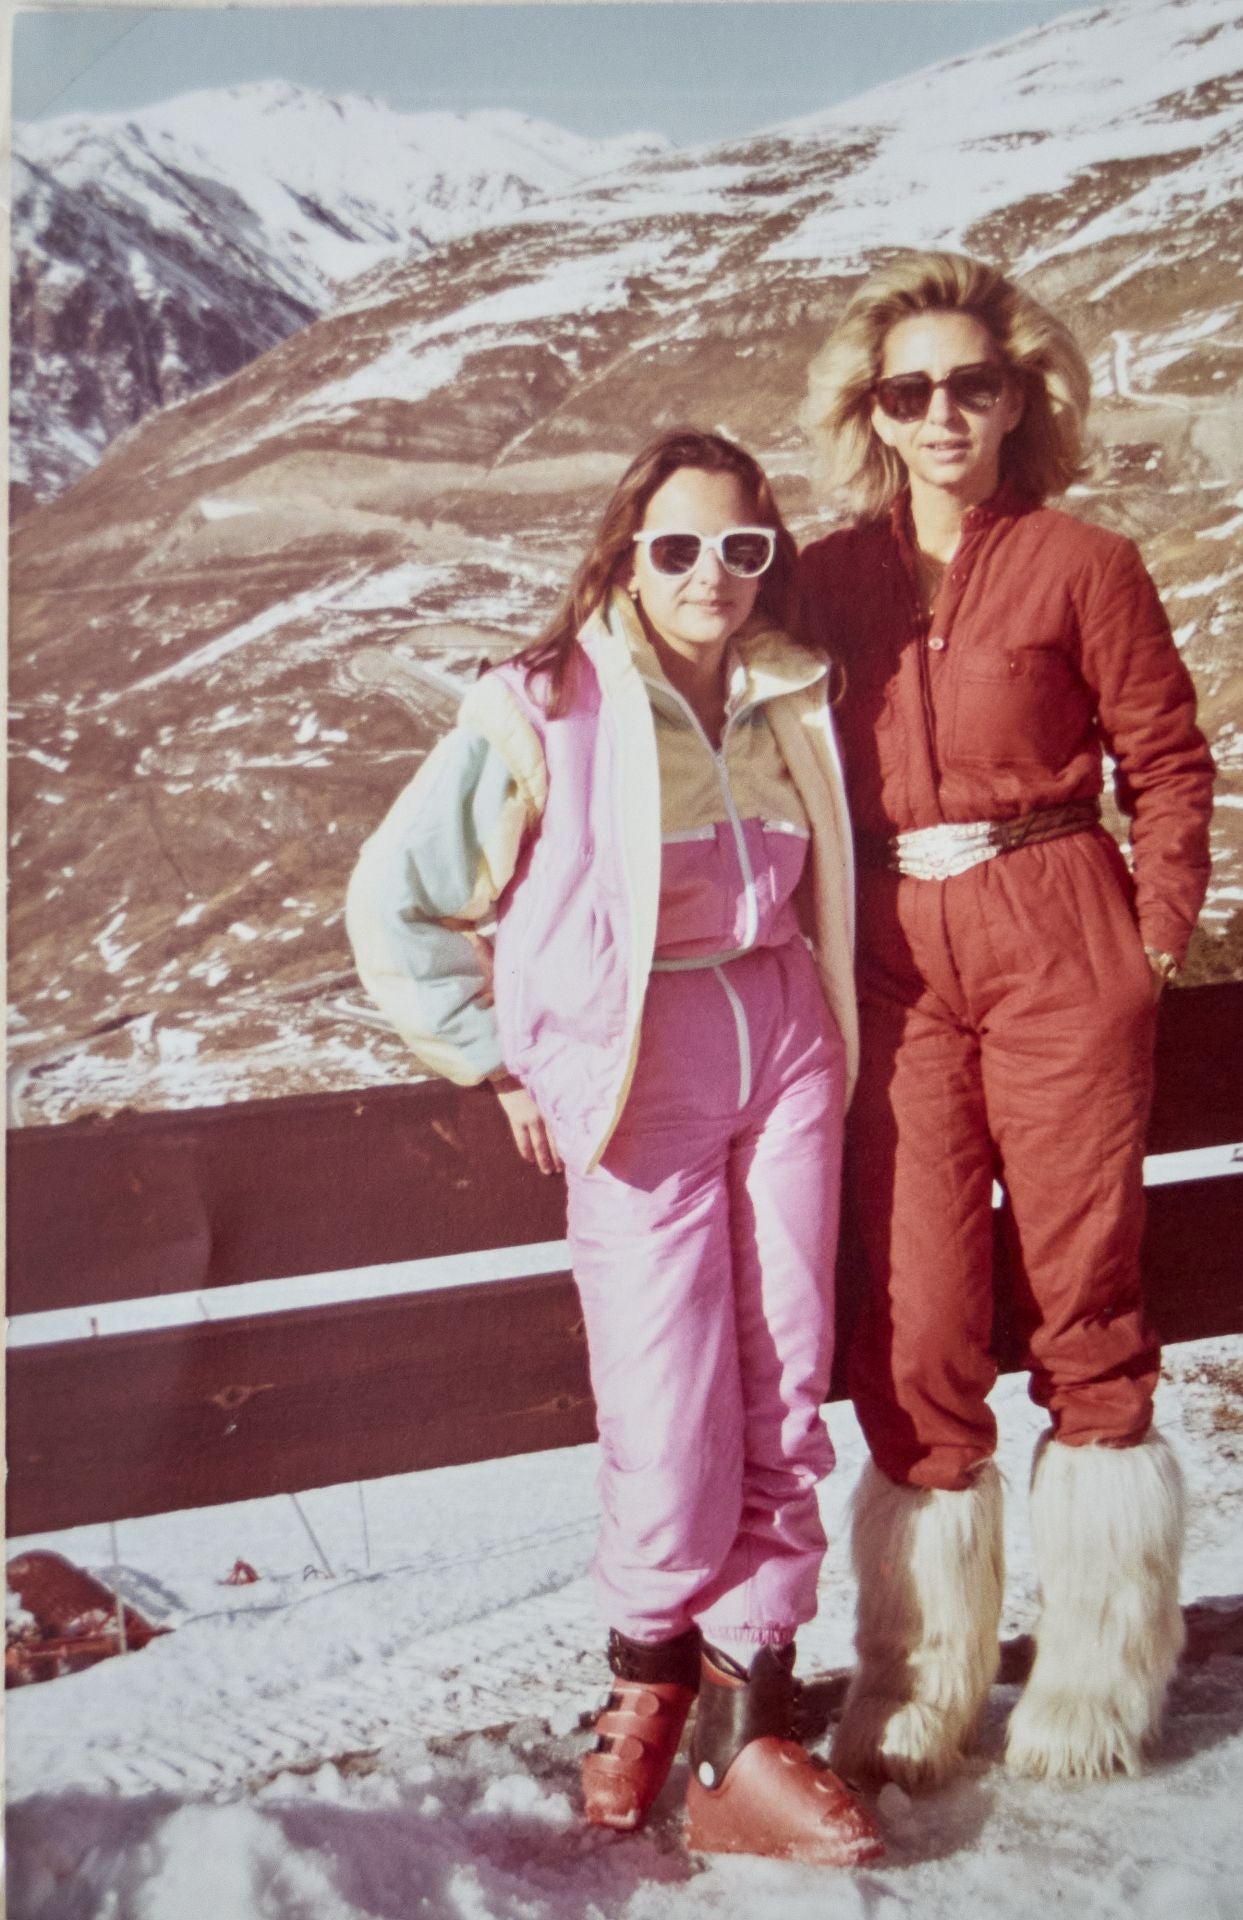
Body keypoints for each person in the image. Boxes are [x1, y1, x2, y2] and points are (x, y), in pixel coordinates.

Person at [346, 428, 881, 1865]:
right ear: (626, 556)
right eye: (679, 547)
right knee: (667, 1395)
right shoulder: (547, 707)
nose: (714, 575)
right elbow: (395, 905)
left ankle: (749, 1713)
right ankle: (648, 1671)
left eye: (744, 547)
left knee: (787, 1367)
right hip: (640, 1070)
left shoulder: (790, 693)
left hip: (782, 1043)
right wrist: (497, 1054)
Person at [797, 253, 1215, 1788]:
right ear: (874, 414)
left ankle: (1098, 1687)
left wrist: (1147, 942)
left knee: (1086, 1300)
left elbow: (1168, 764)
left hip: (1057, 940)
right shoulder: (825, 578)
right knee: (914, 1322)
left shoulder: (1084, 563)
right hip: (900, 962)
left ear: (1019, 396)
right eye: (910, 390)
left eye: (974, 383)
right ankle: (915, 1688)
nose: (944, 413)